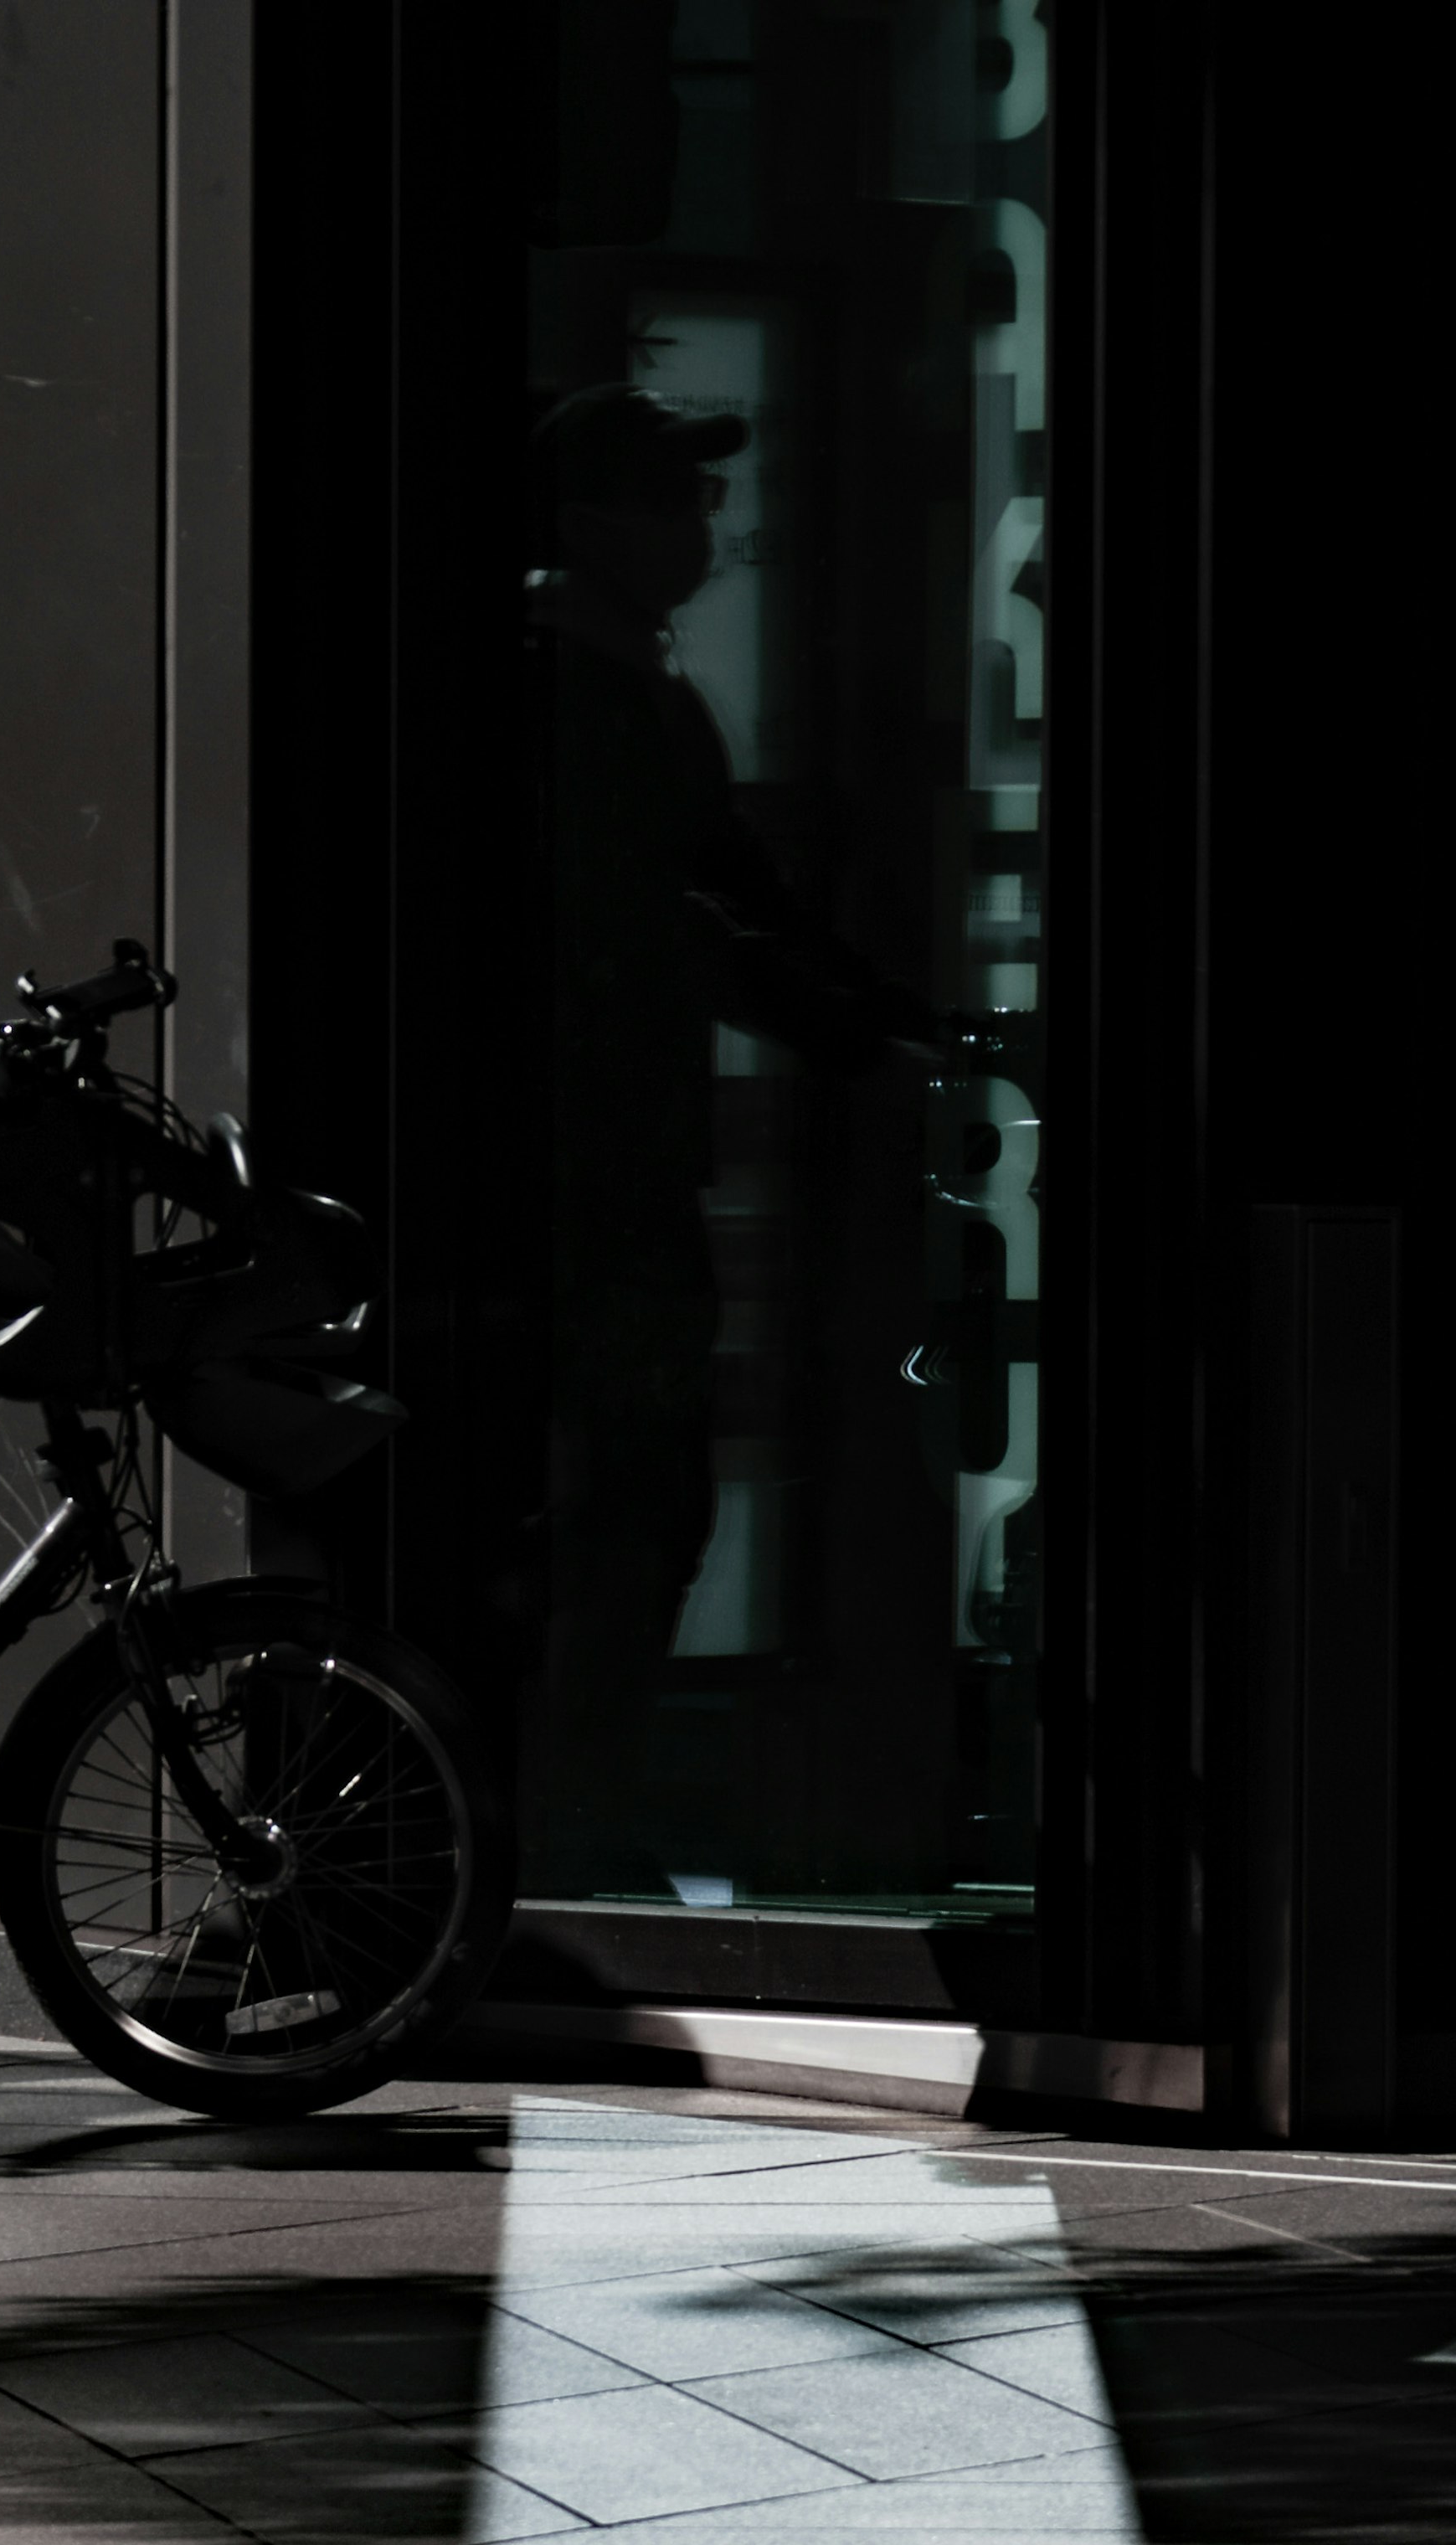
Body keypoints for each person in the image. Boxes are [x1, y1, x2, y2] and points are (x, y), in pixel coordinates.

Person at [526, 384, 955, 1888]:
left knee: (628, 1500)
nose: (703, 528)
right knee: (629, 1500)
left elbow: (742, 908)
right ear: (588, 522)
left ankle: (574, 1805)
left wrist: (904, 1028)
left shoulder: (628, 696)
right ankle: (571, 1814)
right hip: (593, 1179)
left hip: (608, 1171)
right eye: (673, 499)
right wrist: (881, 1042)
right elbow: (704, 926)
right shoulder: (582, 702)